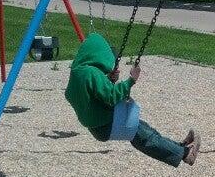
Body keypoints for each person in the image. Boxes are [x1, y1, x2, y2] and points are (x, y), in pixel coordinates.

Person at [65, 33, 200, 167]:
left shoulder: (78, 72)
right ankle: (185, 154)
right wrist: (131, 80)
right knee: (145, 138)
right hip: (107, 123)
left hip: (96, 127)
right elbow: (111, 96)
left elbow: (77, 93)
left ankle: (178, 147)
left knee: (145, 129)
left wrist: (107, 80)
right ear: (98, 55)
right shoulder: (92, 73)